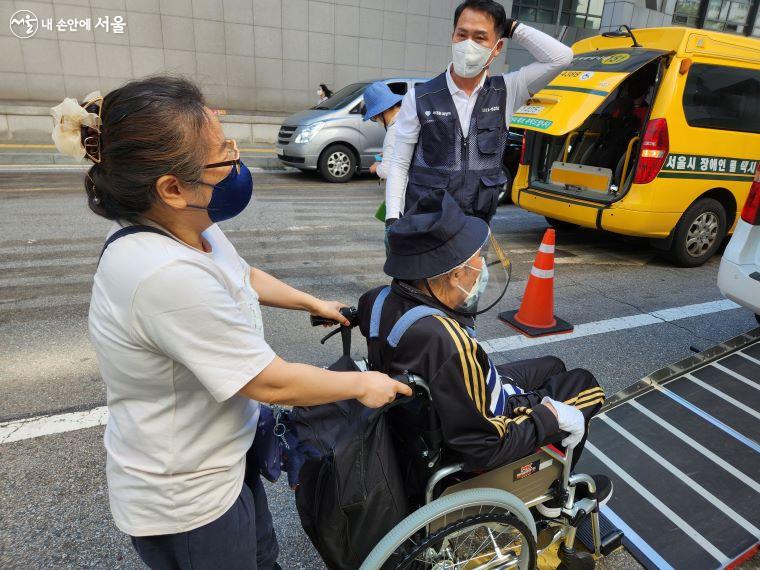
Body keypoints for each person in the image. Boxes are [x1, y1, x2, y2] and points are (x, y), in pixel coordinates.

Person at [50, 76, 411, 570]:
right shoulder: (162, 274)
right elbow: (269, 381)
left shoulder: (186, 225)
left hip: (223, 458)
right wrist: (360, 384)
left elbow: (243, 275)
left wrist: (312, 302)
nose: (236, 165)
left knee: (263, 556)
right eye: (222, 157)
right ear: (172, 187)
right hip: (187, 498)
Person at [357, 190, 612, 518]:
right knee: (586, 385)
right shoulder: (447, 342)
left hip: (433, 412)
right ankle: (553, 493)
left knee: (554, 365)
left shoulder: (375, 300)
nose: (481, 264)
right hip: (483, 428)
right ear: (455, 275)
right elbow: (487, 447)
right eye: (475, 258)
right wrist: (552, 416)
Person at [384, 0, 574, 225]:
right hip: (425, 224)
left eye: (480, 37)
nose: (468, 44)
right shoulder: (420, 97)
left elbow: (562, 57)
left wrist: (511, 27)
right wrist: (392, 218)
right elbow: (399, 163)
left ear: (497, 47)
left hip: (474, 226)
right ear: (452, 37)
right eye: (461, 35)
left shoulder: (508, 91)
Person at [362, 81, 403, 180]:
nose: (376, 119)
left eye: (374, 117)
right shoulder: (407, 120)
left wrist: (376, 167)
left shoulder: (393, 131)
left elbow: (386, 171)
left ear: (380, 112)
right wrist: (388, 154)